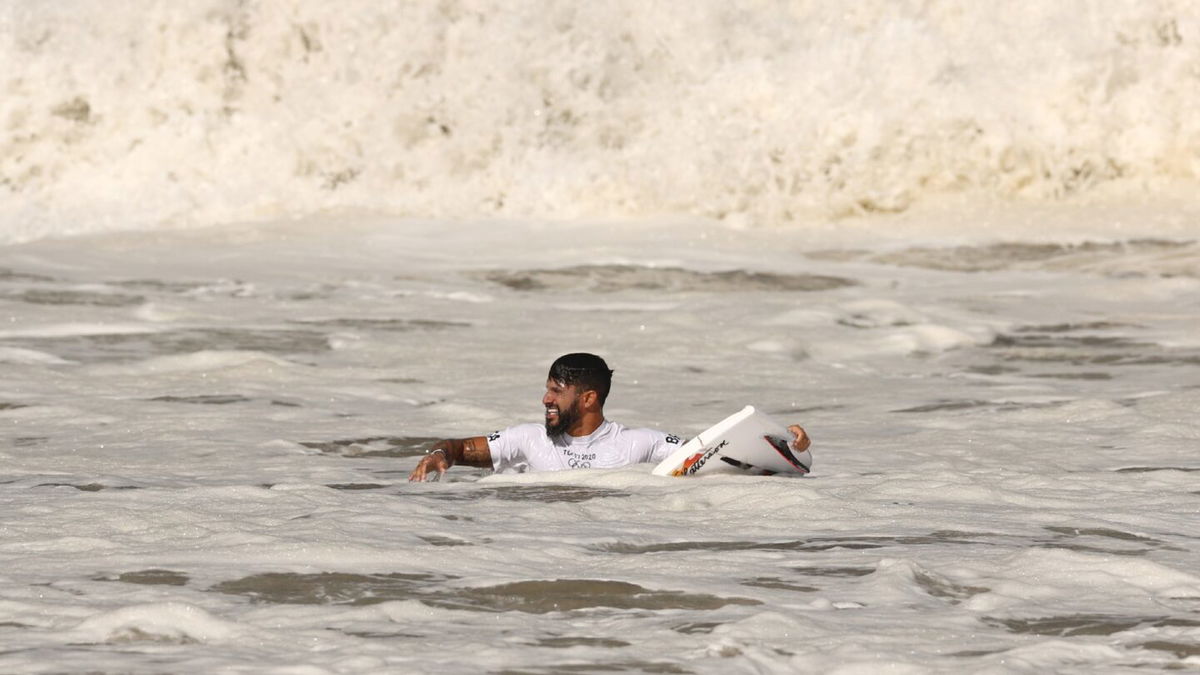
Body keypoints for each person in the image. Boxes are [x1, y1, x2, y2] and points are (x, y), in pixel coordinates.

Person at [408, 353, 811, 481]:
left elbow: (713, 456)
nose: (545, 398)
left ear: (587, 399)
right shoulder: (529, 439)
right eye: (547, 389)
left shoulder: (639, 444)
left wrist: (784, 444)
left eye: (555, 391)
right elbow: (460, 447)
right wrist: (438, 455)